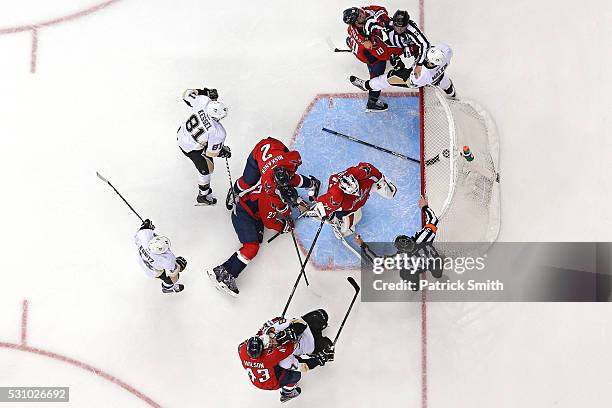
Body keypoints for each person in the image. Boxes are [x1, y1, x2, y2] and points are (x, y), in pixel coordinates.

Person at [208, 184, 301, 296]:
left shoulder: (274, 187)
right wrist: (284, 226)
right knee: (252, 247)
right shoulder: (270, 201)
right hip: (243, 215)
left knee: (256, 241)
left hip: (250, 213)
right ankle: (228, 274)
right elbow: (269, 222)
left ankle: (222, 270)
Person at [238, 310, 334, 403]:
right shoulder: (279, 358)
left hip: (261, 373)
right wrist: (319, 359)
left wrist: (285, 325)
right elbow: (302, 365)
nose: (268, 341)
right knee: (295, 375)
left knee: (321, 315)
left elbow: (272, 326)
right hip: (271, 381)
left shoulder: (248, 346)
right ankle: (287, 393)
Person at [355, 195, 442, 287]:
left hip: (417, 268)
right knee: (437, 267)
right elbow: (433, 220)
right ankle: (438, 274)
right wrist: (424, 207)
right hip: (432, 261)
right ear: (410, 239)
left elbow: (377, 261)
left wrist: (362, 245)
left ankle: (415, 286)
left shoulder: (400, 257)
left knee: (404, 273)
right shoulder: (423, 238)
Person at [305, 162, 397, 237]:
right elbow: (322, 207)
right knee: (345, 229)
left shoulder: (362, 172)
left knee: (383, 189)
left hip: (355, 192)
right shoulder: (336, 197)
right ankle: (340, 221)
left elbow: (370, 168)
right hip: (344, 205)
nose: (357, 194)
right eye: (353, 192)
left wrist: (381, 179)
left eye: (356, 189)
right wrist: (325, 214)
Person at [227, 137, 320, 211]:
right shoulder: (267, 182)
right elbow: (272, 196)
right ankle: (234, 191)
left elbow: (296, 156)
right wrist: (282, 208)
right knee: (248, 181)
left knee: (290, 179)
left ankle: (312, 183)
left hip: (274, 145)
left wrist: (290, 174)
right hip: (258, 152)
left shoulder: (290, 160)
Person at [177, 87, 231, 206]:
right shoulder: (218, 132)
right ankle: (203, 195)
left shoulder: (204, 101)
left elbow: (186, 94)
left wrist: (204, 92)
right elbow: (211, 153)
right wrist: (222, 151)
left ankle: (204, 194)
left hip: (181, 134)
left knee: (204, 144)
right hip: (190, 148)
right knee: (207, 169)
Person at [342, 5, 397, 112]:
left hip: (363, 44)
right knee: (377, 76)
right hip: (368, 55)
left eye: (360, 12)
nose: (363, 14)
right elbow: (384, 54)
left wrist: (383, 19)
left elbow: (381, 9)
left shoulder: (364, 13)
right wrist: (404, 49)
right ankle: (372, 103)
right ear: (355, 22)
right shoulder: (367, 42)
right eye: (359, 16)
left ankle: (350, 43)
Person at [350, 43, 456, 97]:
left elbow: (408, 78)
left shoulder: (423, 75)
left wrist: (398, 66)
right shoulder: (446, 52)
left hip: (414, 81)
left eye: (428, 60)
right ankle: (453, 96)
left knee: (390, 77)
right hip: (440, 77)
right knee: (447, 84)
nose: (426, 59)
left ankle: (365, 85)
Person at [134, 219, 187, 293]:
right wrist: (178, 265)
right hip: (153, 271)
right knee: (174, 278)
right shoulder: (167, 261)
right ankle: (167, 288)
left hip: (143, 263)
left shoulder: (143, 237)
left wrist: (146, 227)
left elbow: (140, 233)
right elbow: (173, 272)